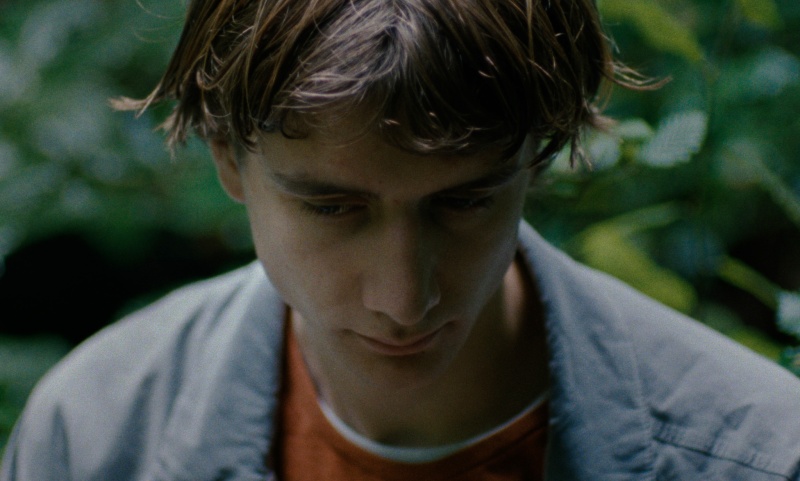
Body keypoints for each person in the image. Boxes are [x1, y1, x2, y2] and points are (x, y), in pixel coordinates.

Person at [3, 0, 800, 479]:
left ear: (539, 157)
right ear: (227, 158)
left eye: (465, 202)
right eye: (332, 208)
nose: (403, 297)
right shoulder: (96, 434)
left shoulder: (760, 451)